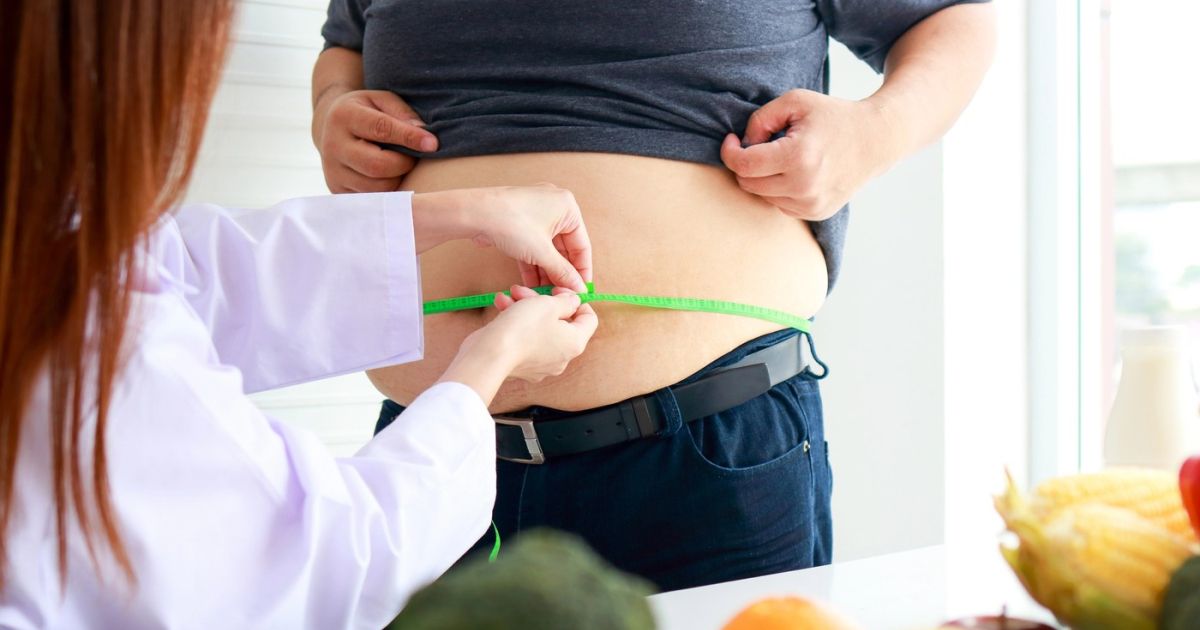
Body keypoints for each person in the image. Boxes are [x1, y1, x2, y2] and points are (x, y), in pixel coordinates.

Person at [313, 0, 996, 590]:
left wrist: (874, 133)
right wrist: (332, 111)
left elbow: (951, 19)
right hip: (430, 455)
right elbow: (345, 44)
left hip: (705, 451)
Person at [0, 1, 597, 627]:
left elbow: (186, 270)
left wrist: (460, 212)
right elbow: (328, 563)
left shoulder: (44, 239)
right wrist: (489, 362)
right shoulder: (86, 351)